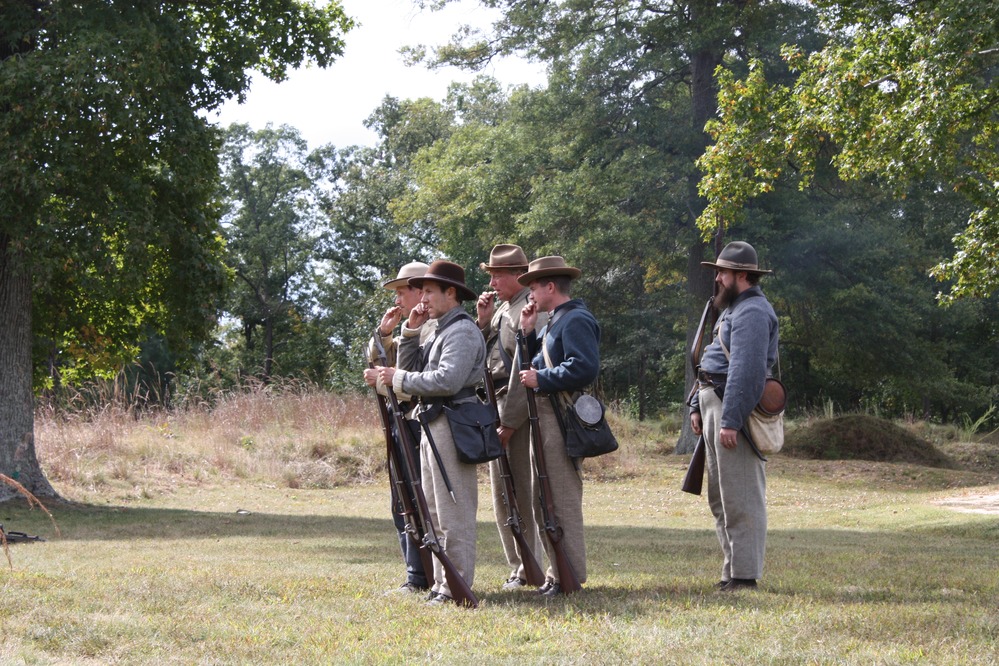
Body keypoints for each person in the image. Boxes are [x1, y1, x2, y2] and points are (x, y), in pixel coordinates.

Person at [375, 260, 487, 606]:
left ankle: (455, 586)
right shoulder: (437, 328)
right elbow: (413, 367)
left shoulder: (462, 331)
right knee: (435, 512)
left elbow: (447, 380)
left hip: (451, 421)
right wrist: (410, 330)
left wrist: (397, 380)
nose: (422, 298)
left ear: (450, 293)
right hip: (434, 421)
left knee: (453, 511)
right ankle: (441, 584)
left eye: (428, 290)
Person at [688, 241, 779, 592]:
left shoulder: (753, 312)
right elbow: (711, 359)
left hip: (731, 406)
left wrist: (731, 419)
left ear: (742, 275)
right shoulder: (733, 310)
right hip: (715, 402)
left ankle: (744, 575)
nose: (718, 279)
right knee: (721, 495)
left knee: (741, 496)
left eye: (723, 273)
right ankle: (731, 571)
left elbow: (747, 370)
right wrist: (696, 405)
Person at [517, 256, 600, 597]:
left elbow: (585, 367)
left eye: (534, 287)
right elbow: (536, 363)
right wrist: (527, 334)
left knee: (561, 499)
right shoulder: (554, 321)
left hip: (559, 418)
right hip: (546, 416)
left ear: (551, 287)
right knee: (543, 498)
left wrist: (543, 378)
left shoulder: (576, 319)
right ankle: (556, 573)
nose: (530, 294)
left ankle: (571, 575)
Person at [476, 244, 547, 591]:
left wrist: (510, 419)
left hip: (513, 410)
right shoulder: (506, 310)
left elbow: (523, 368)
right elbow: (491, 356)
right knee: (502, 493)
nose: (491, 280)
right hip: (497, 405)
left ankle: (527, 566)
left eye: (497, 274)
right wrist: (485, 323)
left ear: (518, 275)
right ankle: (518, 566)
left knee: (519, 490)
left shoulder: (529, 311)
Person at [363, 261, 433, 595]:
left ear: (420, 289)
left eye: (403, 290)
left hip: (420, 424)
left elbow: (402, 381)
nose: (399, 298)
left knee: (418, 499)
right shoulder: (410, 327)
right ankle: (415, 573)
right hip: (400, 423)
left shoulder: (431, 328)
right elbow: (378, 361)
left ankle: (425, 575)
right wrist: (386, 333)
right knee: (401, 499)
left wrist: (381, 381)